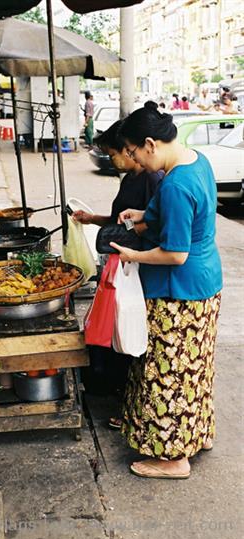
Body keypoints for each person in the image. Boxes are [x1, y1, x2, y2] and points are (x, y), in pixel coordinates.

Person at [108, 101, 222, 479]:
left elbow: (175, 253)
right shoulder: (196, 161)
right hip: (205, 284)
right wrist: (143, 216)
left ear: (151, 144)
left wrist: (131, 254)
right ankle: (197, 433)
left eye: (134, 152)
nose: (135, 160)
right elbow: (187, 214)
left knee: (167, 373)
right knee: (195, 367)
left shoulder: (175, 184)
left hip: (180, 292)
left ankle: (173, 457)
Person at [73, 120, 164, 410]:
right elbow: (120, 220)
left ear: (128, 150)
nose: (113, 160)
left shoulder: (154, 180)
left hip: (138, 267)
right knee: (114, 329)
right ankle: (115, 390)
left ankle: (128, 399)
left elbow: (154, 227)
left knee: (130, 330)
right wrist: (92, 218)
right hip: (121, 263)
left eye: (113, 154)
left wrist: (134, 245)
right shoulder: (128, 180)